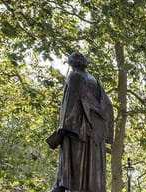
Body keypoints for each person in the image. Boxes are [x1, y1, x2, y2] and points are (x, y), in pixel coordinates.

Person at [50, 53, 114, 192]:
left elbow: (70, 103)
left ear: (72, 64)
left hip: (78, 131)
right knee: (92, 172)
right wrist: (106, 134)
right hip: (95, 134)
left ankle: (59, 186)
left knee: (75, 170)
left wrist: (63, 127)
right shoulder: (94, 80)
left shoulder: (74, 76)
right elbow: (108, 106)